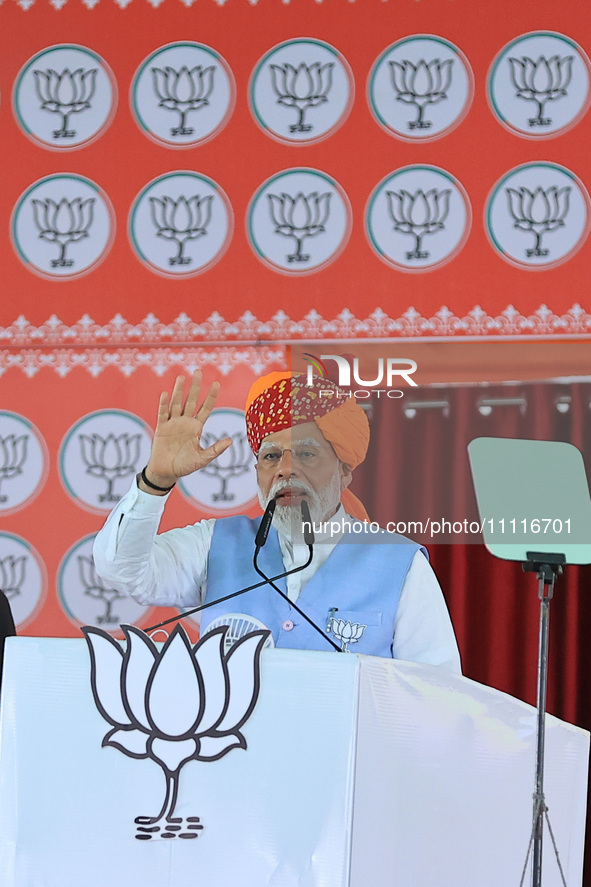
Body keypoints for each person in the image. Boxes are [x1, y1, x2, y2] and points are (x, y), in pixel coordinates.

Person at [93, 370, 461, 671]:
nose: (286, 470)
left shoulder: (400, 564)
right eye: (271, 456)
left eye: (306, 453)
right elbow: (121, 570)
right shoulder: (215, 543)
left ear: (345, 472)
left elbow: (436, 692)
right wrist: (155, 481)